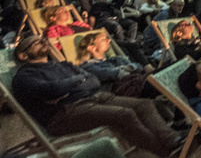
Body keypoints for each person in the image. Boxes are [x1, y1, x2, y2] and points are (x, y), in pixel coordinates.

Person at [12, 35, 180, 156]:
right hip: (63, 114)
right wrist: (77, 81)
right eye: (35, 42)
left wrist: (70, 85)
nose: (42, 41)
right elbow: (52, 89)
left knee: (143, 105)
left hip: (93, 97)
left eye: (42, 39)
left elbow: (94, 81)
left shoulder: (63, 65)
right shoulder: (23, 77)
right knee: (125, 115)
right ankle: (163, 151)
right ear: (23, 55)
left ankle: (171, 140)